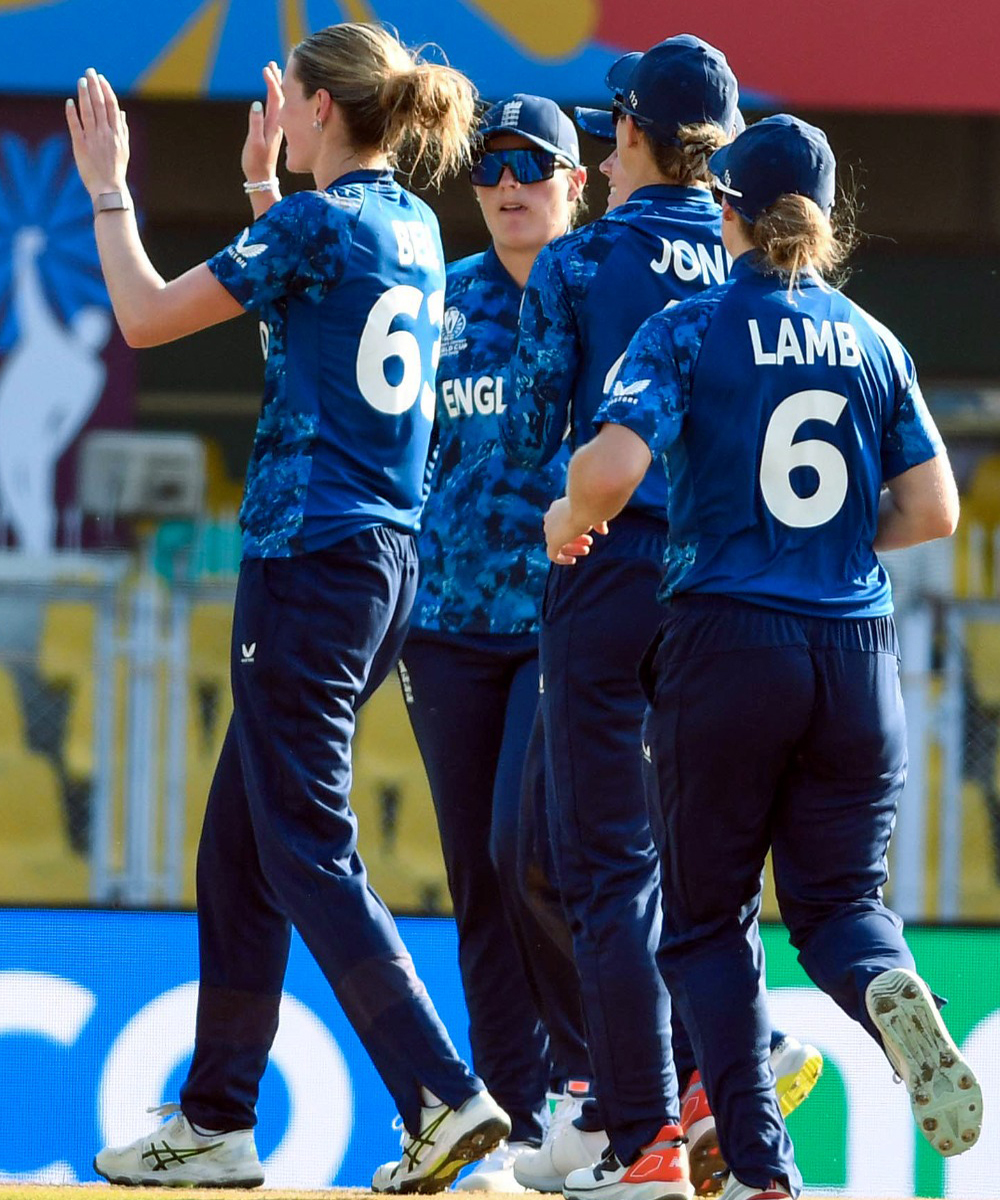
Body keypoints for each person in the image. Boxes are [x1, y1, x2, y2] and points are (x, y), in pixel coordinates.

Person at [65, 24, 509, 1194]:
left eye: (292, 103)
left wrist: (110, 190)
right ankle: (216, 1121)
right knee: (238, 852)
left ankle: (441, 1094)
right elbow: (309, 321)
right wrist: (264, 189)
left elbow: (145, 316)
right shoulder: (407, 224)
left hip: (310, 560)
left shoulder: (319, 224)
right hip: (382, 560)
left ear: (316, 107)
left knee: (304, 842)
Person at [544, 113, 979, 1200]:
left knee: (705, 925)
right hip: (856, 653)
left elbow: (612, 469)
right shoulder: (874, 339)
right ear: (824, 221)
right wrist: (830, 546)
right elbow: (935, 509)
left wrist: (567, 515)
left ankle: (760, 1170)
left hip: (727, 643)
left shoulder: (690, 327)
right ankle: (884, 987)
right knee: (840, 909)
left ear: (725, 210)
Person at [500, 35, 748, 1200]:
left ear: (637, 134)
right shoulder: (762, 265)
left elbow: (525, 436)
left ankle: (639, 1135)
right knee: (707, 871)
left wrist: (565, 504)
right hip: (734, 589)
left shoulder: (581, 259)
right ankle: (724, 1099)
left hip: (609, 567)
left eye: (611, 134)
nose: (601, 154)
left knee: (604, 868)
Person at [398, 93, 591, 1194]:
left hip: (566, 623)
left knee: (536, 856)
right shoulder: (442, 298)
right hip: (444, 628)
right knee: (479, 875)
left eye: (532, 164)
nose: (508, 184)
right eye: (489, 167)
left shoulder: (605, 294)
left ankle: (591, 1089)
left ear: (576, 182)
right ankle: (513, 1124)